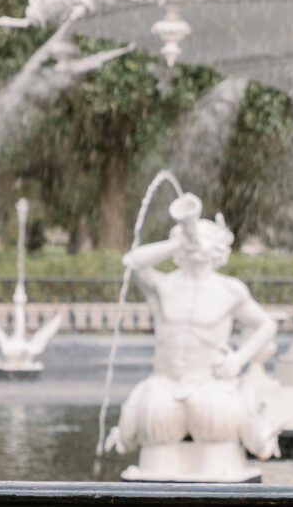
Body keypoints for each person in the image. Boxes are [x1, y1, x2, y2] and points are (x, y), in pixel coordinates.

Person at [105, 193, 280, 461]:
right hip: (164, 388)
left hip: (212, 390)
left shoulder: (229, 290)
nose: (196, 242)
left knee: (218, 458)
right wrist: (176, 243)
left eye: (205, 237)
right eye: (193, 237)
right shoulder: (162, 286)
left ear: (218, 249)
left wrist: (239, 359)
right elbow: (132, 262)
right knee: (155, 459)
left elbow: (266, 324)